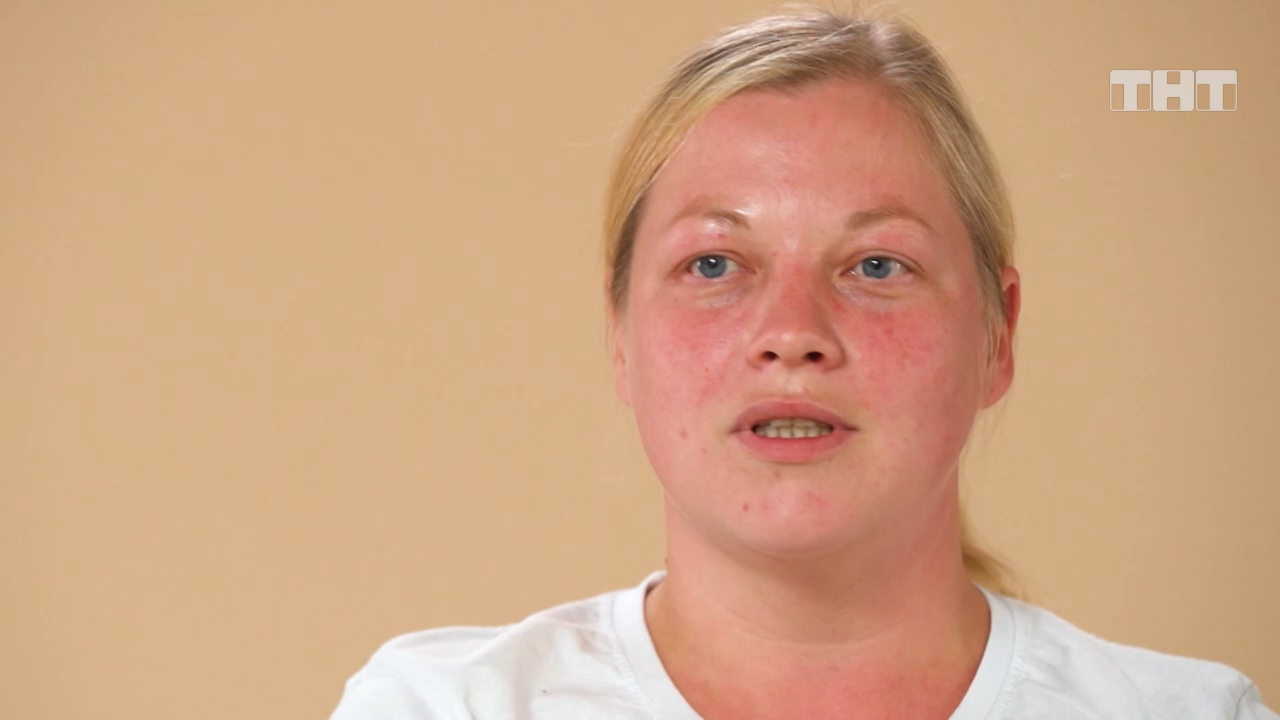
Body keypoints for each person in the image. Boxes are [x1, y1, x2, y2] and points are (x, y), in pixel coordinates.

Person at [329, 5, 1277, 719]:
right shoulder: (441, 709)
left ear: (999, 337)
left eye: (877, 266)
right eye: (714, 264)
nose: (792, 332)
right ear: (620, 336)